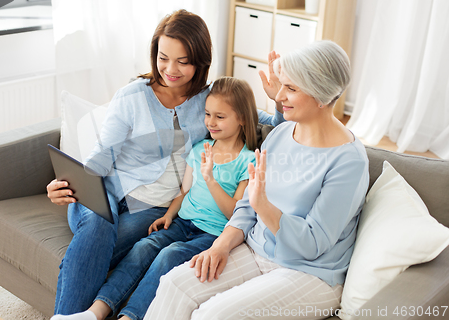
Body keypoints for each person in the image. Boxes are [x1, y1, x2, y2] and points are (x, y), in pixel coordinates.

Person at [46, 9, 285, 317]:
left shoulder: (211, 102)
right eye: (163, 58)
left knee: (115, 248)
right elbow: (101, 156)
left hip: (152, 208)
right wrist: (66, 184)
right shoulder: (132, 95)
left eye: (183, 61)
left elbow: (265, 126)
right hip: (103, 189)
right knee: (97, 223)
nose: (170, 69)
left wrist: (279, 99)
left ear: (200, 60)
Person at [144, 40, 370, 320]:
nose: (280, 96)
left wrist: (262, 204)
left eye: (291, 88)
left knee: (213, 316)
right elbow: (245, 208)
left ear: (321, 95)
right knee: (174, 284)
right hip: (256, 250)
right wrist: (221, 245)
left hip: (310, 272)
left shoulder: (349, 161)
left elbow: (312, 244)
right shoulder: (281, 135)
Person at [52, 76, 259, 320]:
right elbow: (185, 192)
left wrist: (211, 179)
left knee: (167, 255)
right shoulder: (200, 149)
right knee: (142, 247)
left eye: (220, 117)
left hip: (212, 232)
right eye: (207, 115)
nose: (210, 122)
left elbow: (236, 214)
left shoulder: (248, 160)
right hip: (180, 220)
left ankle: (128, 316)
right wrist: (169, 215)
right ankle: (94, 312)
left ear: (242, 118)